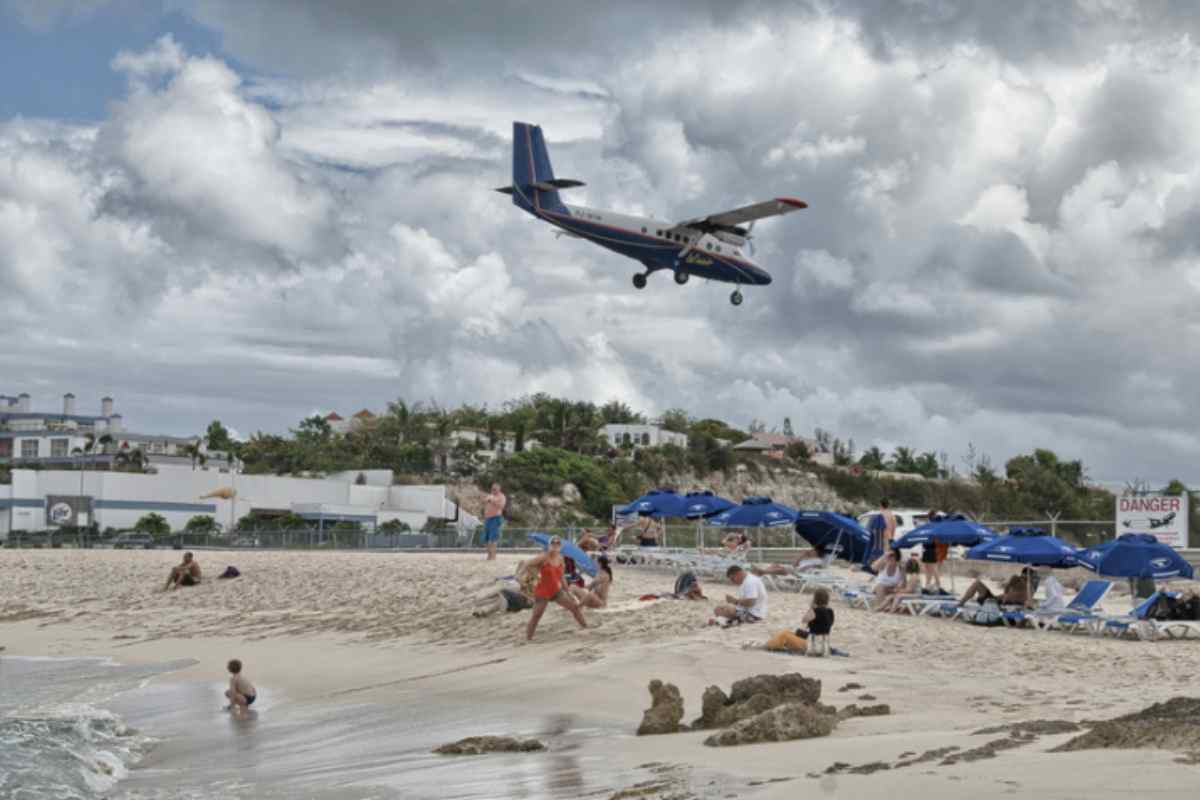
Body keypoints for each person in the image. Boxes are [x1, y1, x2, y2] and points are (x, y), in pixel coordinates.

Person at [523, 536, 588, 640]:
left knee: (575, 608)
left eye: (558, 544)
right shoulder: (543, 557)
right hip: (542, 592)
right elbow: (527, 564)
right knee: (536, 617)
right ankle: (528, 639)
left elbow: (562, 576)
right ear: (549, 546)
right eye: (553, 544)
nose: (555, 546)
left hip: (556, 591)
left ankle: (586, 628)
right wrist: (536, 576)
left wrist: (568, 592)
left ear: (560, 546)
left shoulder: (561, 558)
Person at [958, 568, 1039, 608]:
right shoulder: (1029, 588)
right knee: (977, 583)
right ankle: (960, 604)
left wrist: (1008, 587)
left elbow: (1007, 589)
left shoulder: (1021, 582)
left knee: (977, 584)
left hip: (996, 604)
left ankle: (960, 604)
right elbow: (1006, 590)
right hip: (996, 601)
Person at [481, 483, 507, 561]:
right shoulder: (490, 495)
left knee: (493, 538)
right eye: (492, 489)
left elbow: (502, 506)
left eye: (495, 489)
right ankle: (489, 555)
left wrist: (492, 501)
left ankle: (493, 556)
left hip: (496, 518)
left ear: (499, 489)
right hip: (487, 519)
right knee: (485, 539)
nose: (493, 490)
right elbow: (484, 501)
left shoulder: (502, 496)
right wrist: (484, 499)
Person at [921, 509, 945, 594]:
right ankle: (928, 585)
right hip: (929, 548)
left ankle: (937, 585)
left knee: (932, 568)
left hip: (930, 548)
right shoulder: (931, 525)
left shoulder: (933, 525)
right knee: (929, 569)